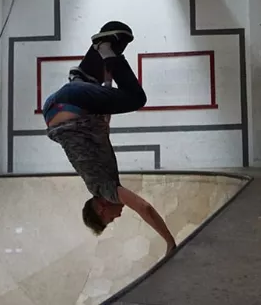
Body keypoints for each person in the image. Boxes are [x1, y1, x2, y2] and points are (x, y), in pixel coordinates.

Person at [43, 21, 177, 255]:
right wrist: (108, 75)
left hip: (74, 104)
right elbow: (103, 122)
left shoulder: (106, 190)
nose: (118, 216)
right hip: (54, 109)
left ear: (101, 210)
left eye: (111, 219)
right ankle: (84, 73)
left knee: (136, 99)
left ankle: (103, 50)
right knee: (102, 90)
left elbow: (143, 207)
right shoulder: (92, 177)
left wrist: (169, 242)